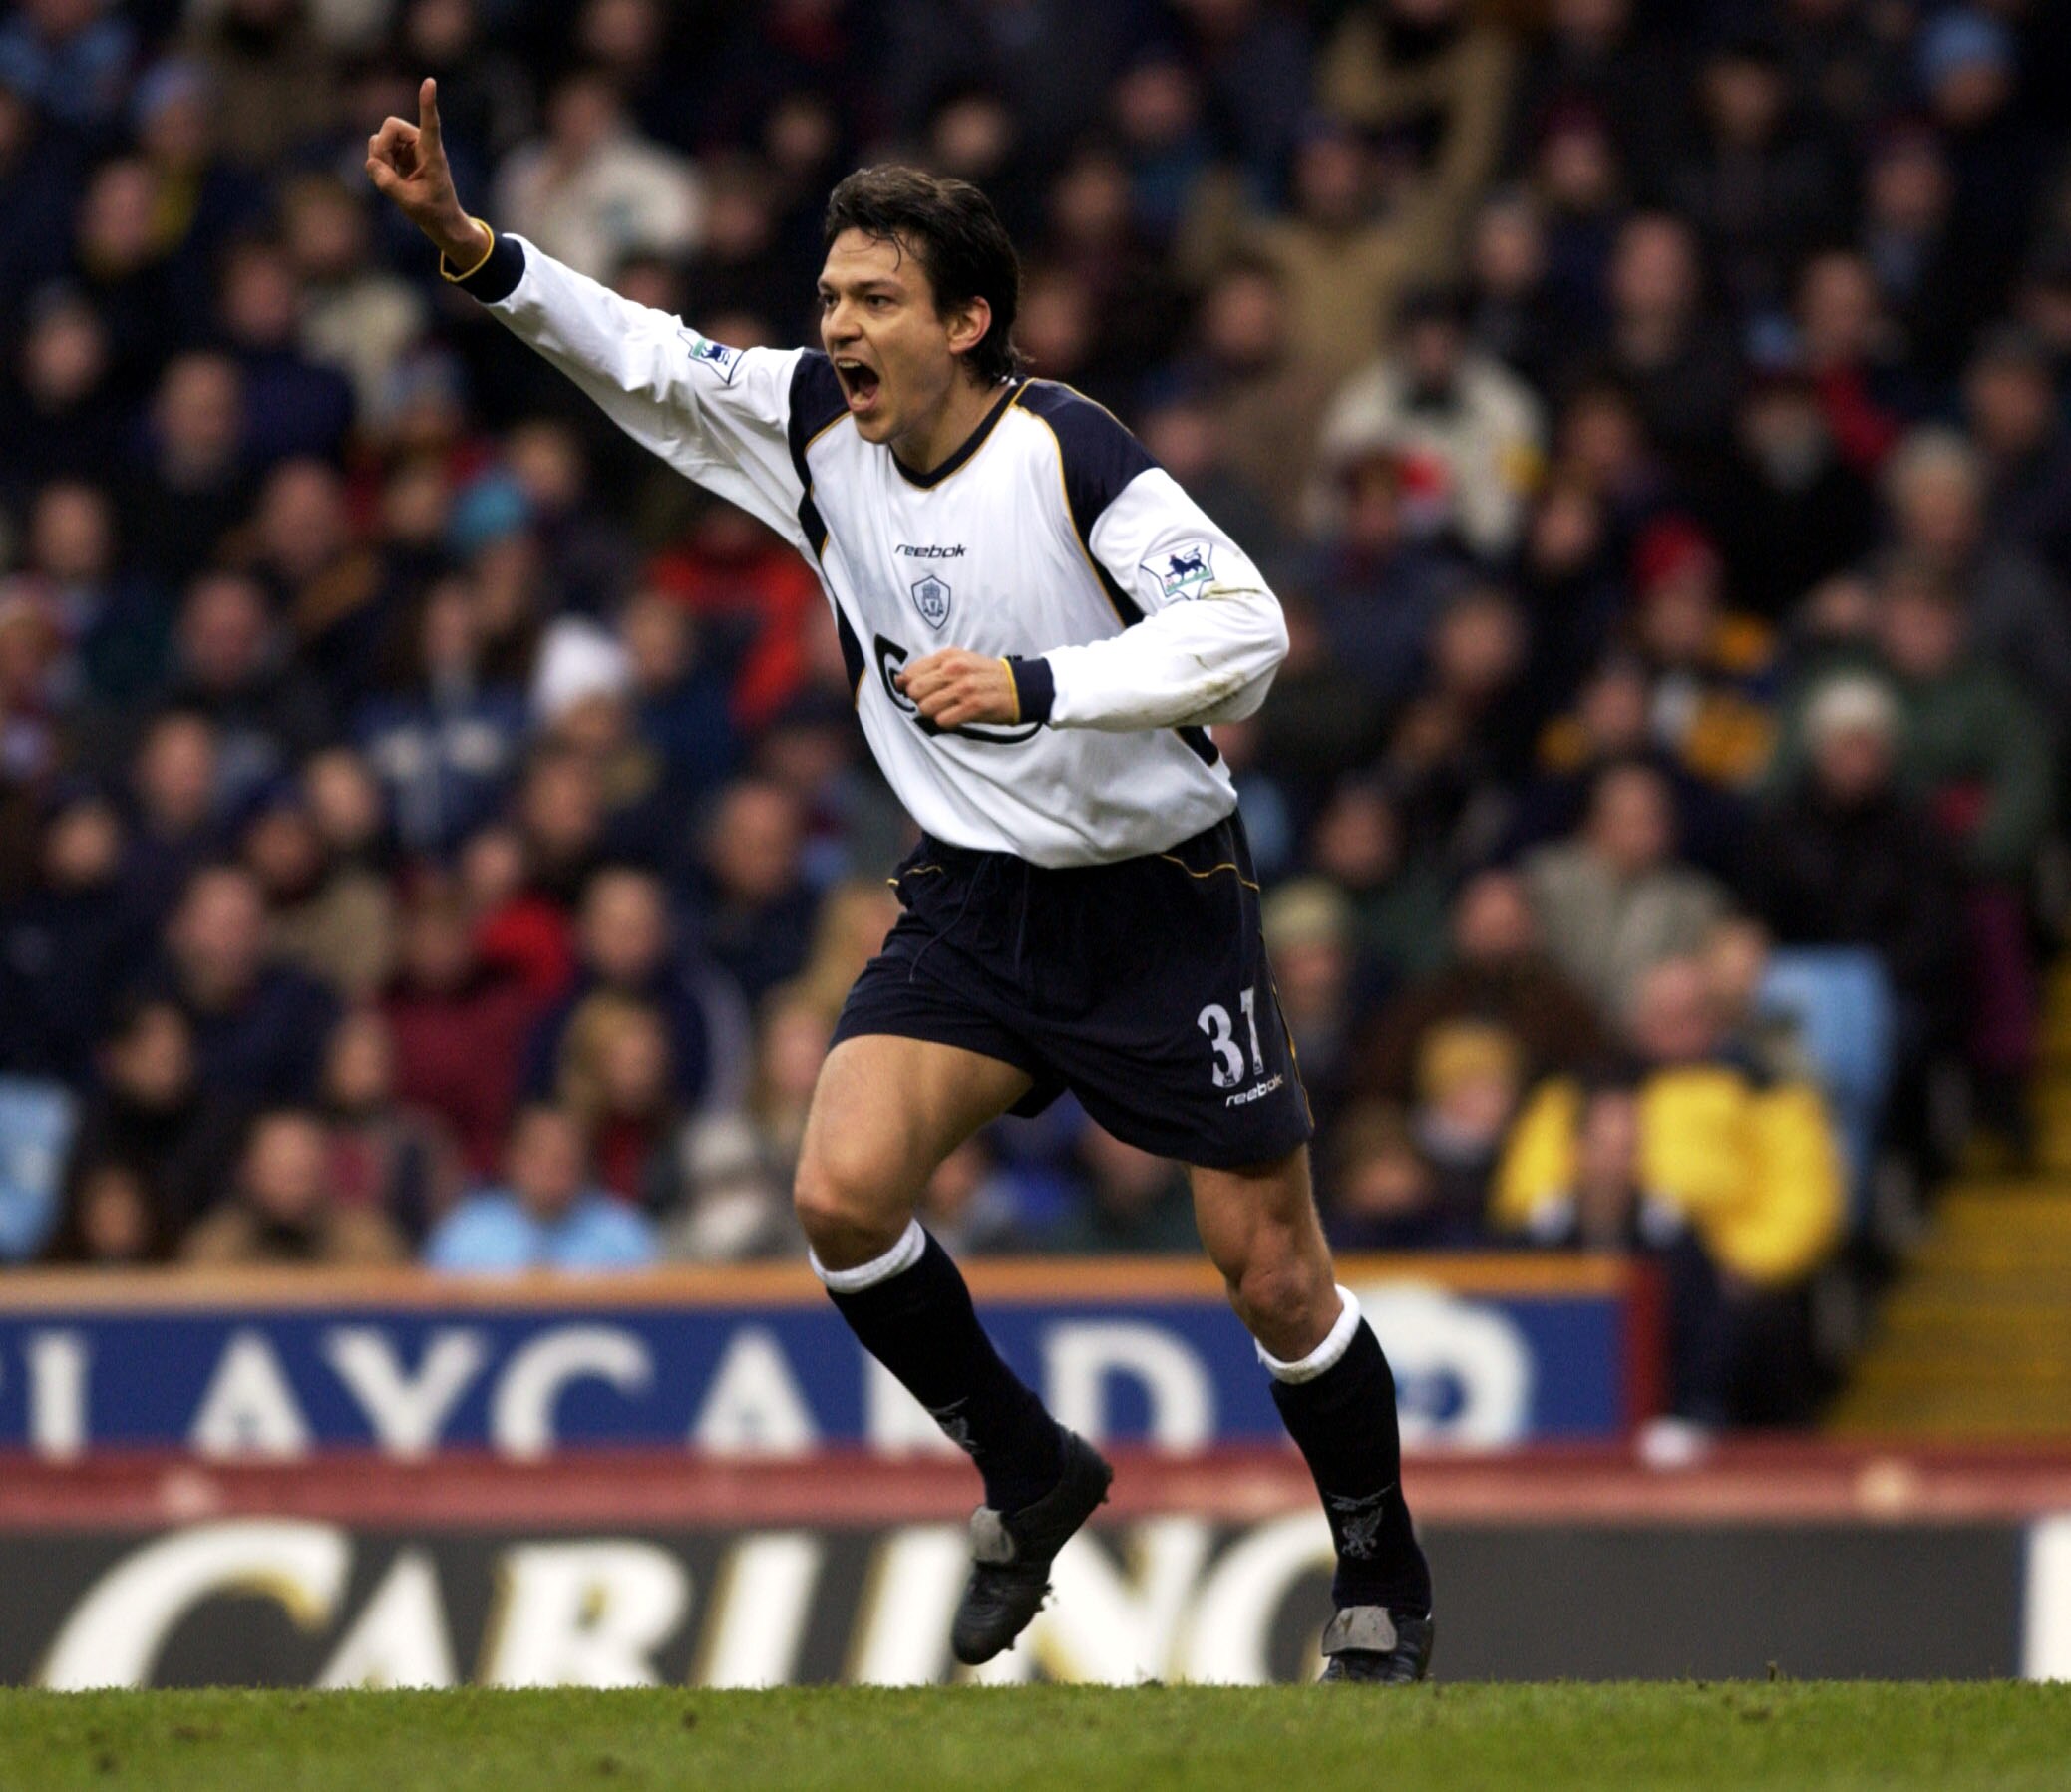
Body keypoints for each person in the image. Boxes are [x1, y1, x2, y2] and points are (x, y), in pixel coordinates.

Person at [368, 82, 1433, 1681]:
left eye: (874, 299)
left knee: (1271, 1272)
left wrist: (1036, 685)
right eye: (829, 297)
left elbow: (1249, 633)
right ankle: (1027, 1464)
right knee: (838, 1193)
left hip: (1156, 897)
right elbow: (646, 358)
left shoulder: (1072, 452)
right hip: (974, 900)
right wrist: (473, 249)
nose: (838, 324)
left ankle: (1378, 1565)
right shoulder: (812, 424)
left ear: (968, 321)